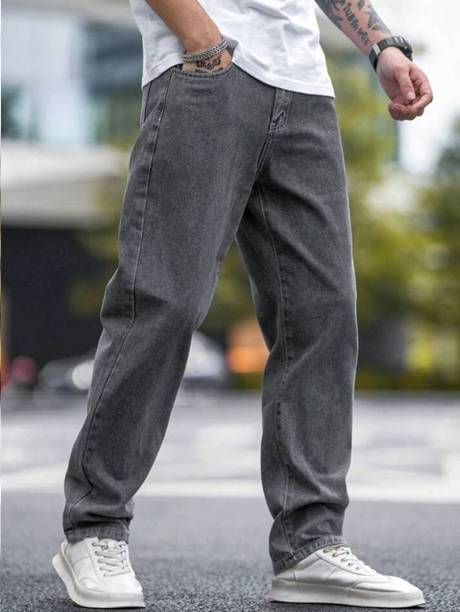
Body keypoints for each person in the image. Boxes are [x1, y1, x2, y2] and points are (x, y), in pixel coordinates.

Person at [52, 0, 433, 608]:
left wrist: (382, 46)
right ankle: (94, 526)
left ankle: (310, 544)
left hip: (305, 86)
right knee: (164, 301)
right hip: (202, 72)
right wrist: (203, 40)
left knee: (323, 313)